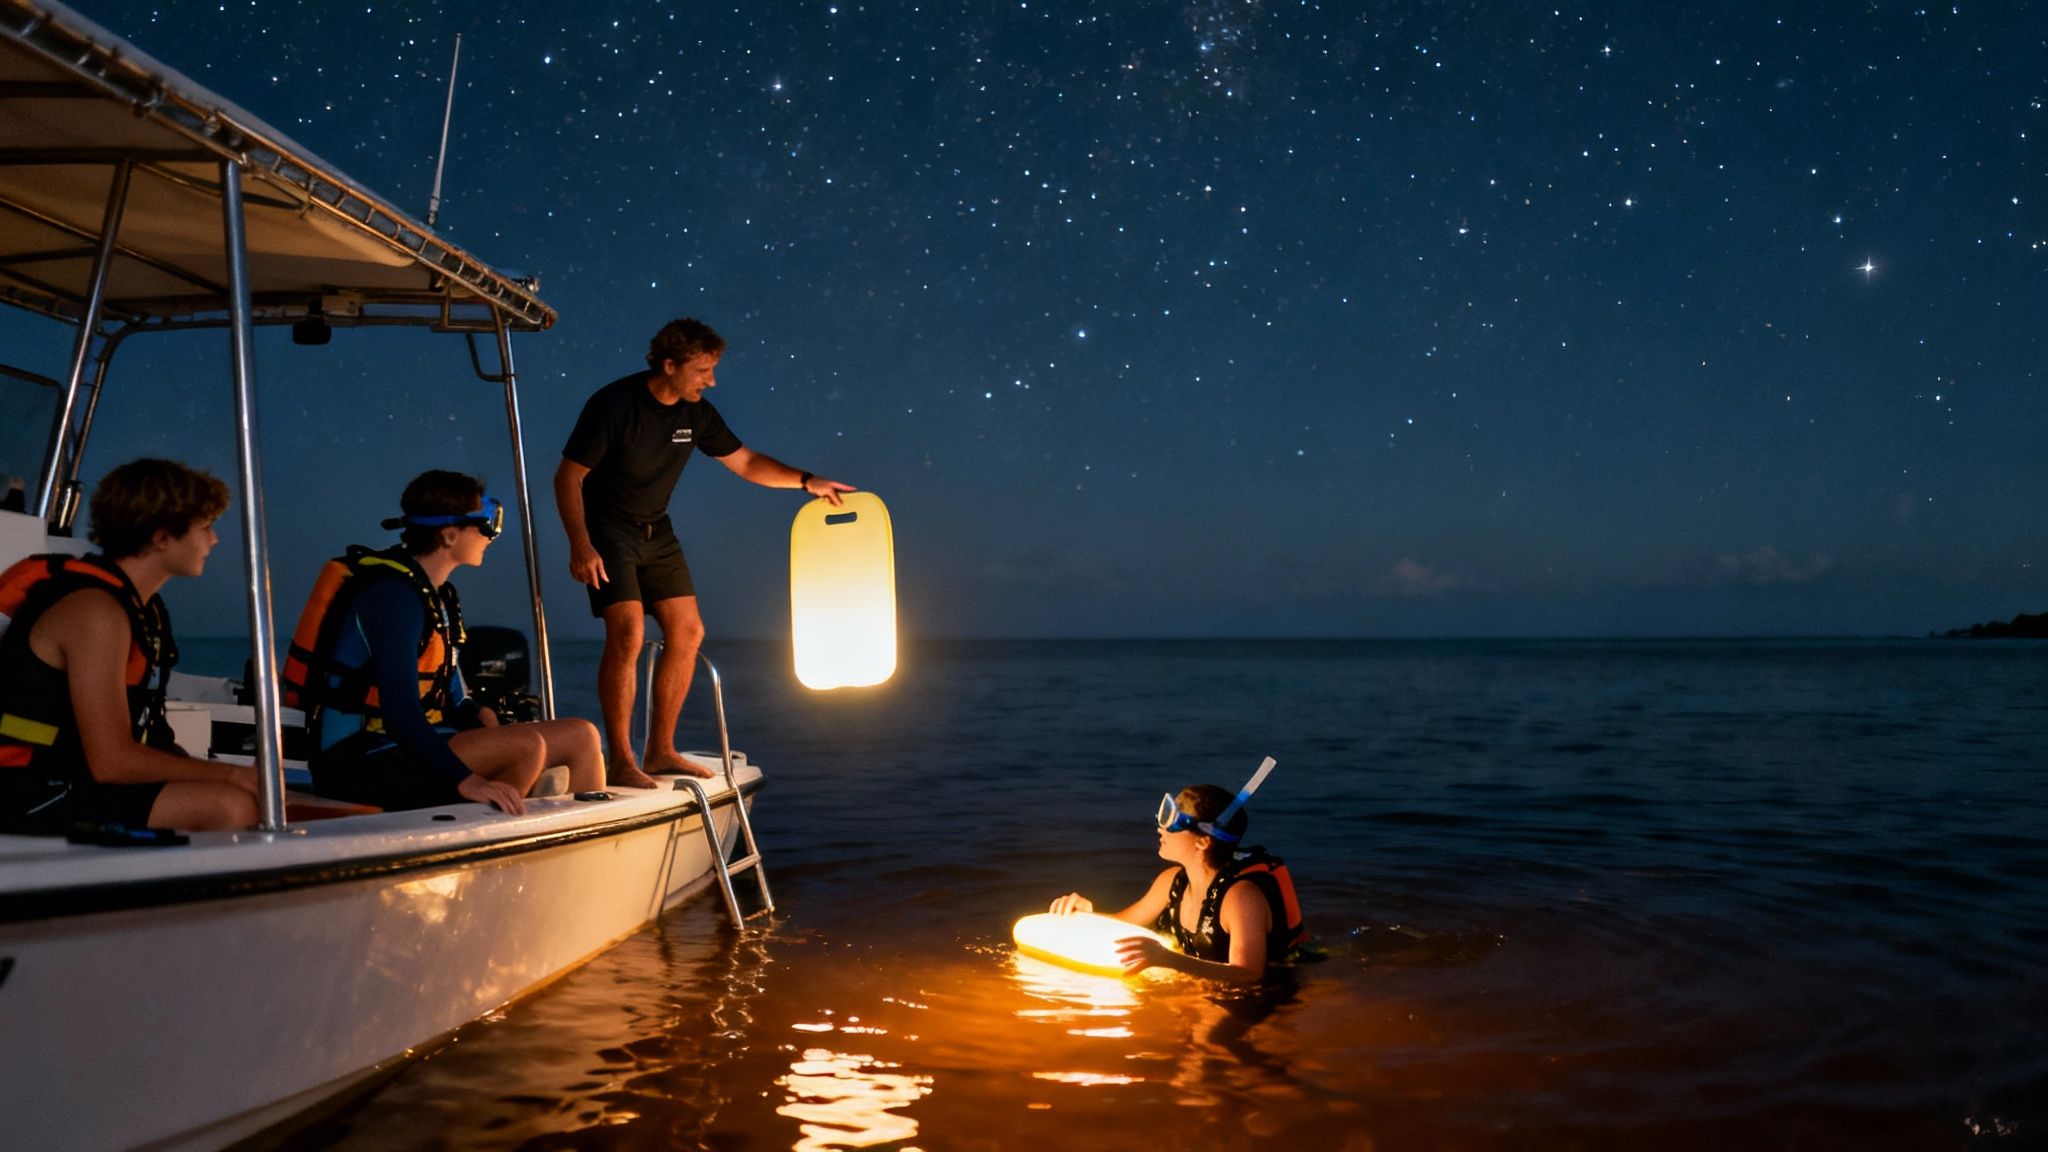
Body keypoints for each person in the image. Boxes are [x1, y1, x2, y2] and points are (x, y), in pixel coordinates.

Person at [555, 317, 853, 787]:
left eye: (713, 369)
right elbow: (568, 476)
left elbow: (748, 462)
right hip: (610, 531)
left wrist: (805, 481)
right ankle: (621, 759)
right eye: (702, 371)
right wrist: (581, 544)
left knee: (690, 632)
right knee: (629, 633)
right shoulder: (614, 404)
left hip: (659, 533)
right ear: (669, 365)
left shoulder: (696, 413)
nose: (711, 381)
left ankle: (661, 751)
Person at [286, 470, 604, 815]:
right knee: (526, 747)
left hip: (410, 744)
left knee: (581, 735)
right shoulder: (393, 598)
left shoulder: (437, 597)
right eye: (485, 524)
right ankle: (490, 853)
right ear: (450, 535)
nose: (492, 536)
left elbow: (451, 696)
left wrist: (478, 713)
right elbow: (400, 714)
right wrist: (465, 780)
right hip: (358, 757)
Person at [0, 458, 257, 834]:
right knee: (230, 807)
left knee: (246, 795)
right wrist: (233, 776)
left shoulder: (139, 608)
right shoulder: (95, 612)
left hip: (63, 775)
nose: (214, 540)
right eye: (205, 527)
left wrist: (219, 773)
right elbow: (112, 761)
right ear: (162, 536)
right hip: (24, 787)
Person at [1050, 778, 1306, 985]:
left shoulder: (1241, 898)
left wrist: (1167, 960)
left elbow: (1249, 975)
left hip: (1265, 998)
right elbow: (1123, 923)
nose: (1161, 828)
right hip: (1205, 984)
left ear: (1203, 841)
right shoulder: (1171, 882)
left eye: (1172, 823)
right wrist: (1086, 913)